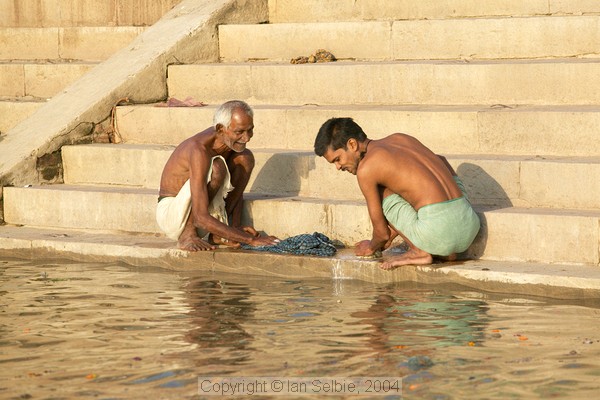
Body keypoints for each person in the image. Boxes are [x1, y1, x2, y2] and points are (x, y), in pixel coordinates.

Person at [314, 117, 480, 270]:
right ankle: (446, 249)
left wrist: (371, 246)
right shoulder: (401, 138)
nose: (338, 167)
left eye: (337, 159)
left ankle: (419, 251)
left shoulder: (367, 168)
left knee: (381, 190)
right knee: (429, 166)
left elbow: (381, 234)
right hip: (469, 223)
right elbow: (441, 159)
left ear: (352, 144)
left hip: (438, 233)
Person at [156, 100, 279, 251]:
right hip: (174, 217)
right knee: (217, 167)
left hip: (204, 214)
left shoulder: (228, 142)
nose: (246, 138)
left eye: (250, 130)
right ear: (221, 129)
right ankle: (187, 235)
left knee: (245, 158)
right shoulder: (198, 149)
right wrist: (250, 240)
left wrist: (235, 229)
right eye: (239, 132)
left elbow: (236, 191)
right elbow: (201, 218)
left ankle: (222, 233)